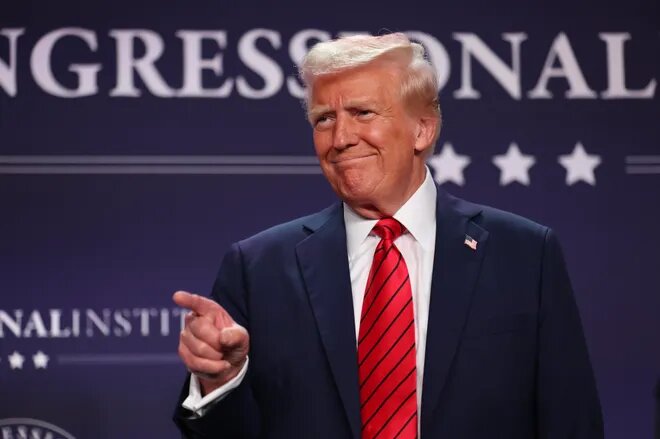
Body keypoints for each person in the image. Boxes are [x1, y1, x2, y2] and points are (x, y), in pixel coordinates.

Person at [172, 33, 603, 438]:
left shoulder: (524, 255)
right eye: (324, 119)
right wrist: (221, 380)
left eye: (363, 113)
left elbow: (572, 422)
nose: (340, 138)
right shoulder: (258, 268)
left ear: (422, 129)